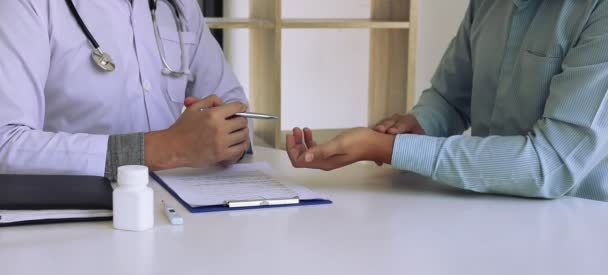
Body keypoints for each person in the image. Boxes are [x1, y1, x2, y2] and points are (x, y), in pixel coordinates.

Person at [287, 0, 608, 202]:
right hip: (487, 215)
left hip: (582, 232)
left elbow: (548, 165)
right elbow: (450, 97)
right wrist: (416, 125)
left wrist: (383, 147)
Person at [0, 0, 251, 180]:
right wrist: (161, 149)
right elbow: (6, 143)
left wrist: (226, 138)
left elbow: (234, 106)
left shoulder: (181, 7)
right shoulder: (26, 6)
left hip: (177, 206)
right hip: (76, 211)